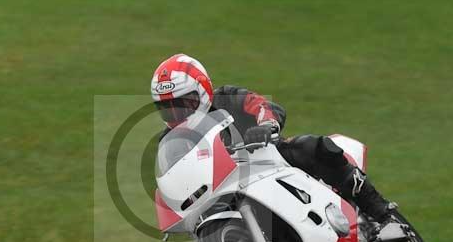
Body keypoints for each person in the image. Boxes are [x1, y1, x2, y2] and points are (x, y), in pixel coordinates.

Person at [150, 53, 397, 224]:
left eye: (184, 104)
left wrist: (266, 125)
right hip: (228, 190)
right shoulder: (173, 141)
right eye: (168, 108)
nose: (177, 114)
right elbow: (174, 175)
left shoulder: (226, 98)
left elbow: (261, 105)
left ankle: (380, 211)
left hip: (268, 161)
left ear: (203, 90)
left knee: (312, 147)